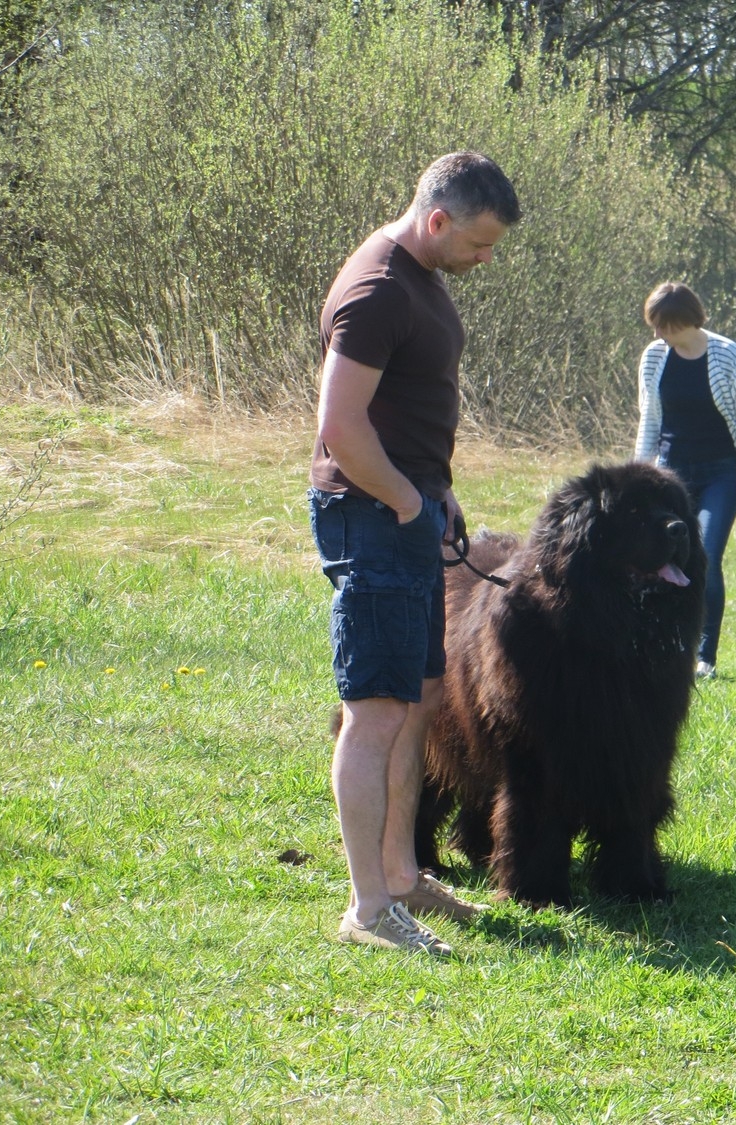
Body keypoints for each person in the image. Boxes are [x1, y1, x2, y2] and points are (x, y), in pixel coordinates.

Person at [309, 152, 521, 955]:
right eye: (479, 243)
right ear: (437, 222)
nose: (485, 259)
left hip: (410, 508)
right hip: (371, 517)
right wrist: (405, 501)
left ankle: (401, 875)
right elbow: (341, 424)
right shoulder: (376, 289)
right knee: (375, 712)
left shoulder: (421, 274)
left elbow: (405, 407)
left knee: (422, 697)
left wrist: (438, 490)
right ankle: (369, 909)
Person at [635, 281, 736, 680]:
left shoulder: (727, 356)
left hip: (720, 474)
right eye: (654, 327)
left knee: (704, 557)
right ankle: (667, 646)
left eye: (664, 327)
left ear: (684, 321)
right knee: (662, 559)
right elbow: (650, 421)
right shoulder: (654, 358)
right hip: (670, 476)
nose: (657, 335)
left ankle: (704, 657)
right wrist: (638, 478)